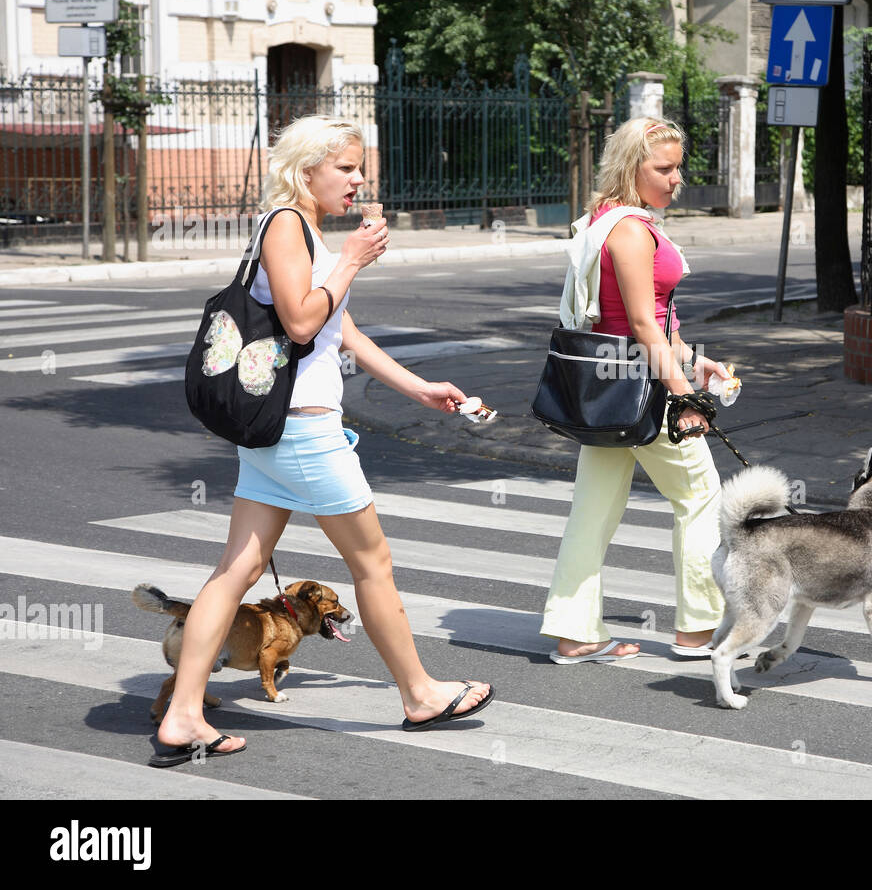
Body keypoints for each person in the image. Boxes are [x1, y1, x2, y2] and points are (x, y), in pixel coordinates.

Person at [151, 115, 493, 767]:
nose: (359, 179)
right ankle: (420, 693)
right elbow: (303, 321)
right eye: (347, 167)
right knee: (373, 565)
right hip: (304, 430)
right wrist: (354, 260)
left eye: (359, 167)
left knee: (238, 571)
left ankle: (183, 716)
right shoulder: (286, 224)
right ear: (307, 169)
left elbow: (346, 336)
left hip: (280, 436)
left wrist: (420, 389)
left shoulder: (300, 230)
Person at [542, 117, 734, 663]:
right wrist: (682, 396)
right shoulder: (629, 229)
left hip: (611, 386)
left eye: (679, 167)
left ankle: (576, 632)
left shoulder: (606, 220)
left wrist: (697, 362)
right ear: (633, 167)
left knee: (593, 509)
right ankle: (699, 629)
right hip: (642, 387)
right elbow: (643, 326)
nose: (678, 179)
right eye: (665, 168)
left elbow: (651, 319)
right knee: (700, 499)